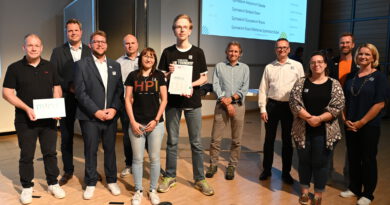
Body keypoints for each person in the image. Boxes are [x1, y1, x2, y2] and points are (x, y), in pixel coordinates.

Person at [2, 34, 65, 204]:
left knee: (50, 153)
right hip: (25, 120)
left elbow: (57, 88)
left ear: (42, 47)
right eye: (30, 45)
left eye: (37, 45)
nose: (34, 48)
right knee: (27, 154)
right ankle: (27, 187)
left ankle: (53, 183)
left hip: (48, 120)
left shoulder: (50, 66)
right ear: (24, 48)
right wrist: (27, 108)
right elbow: (6, 93)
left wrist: (57, 106)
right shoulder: (14, 68)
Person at [157, 14, 214, 196]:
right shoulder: (168, 52)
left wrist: (191, 85)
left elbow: (204, 77)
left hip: (193, 103)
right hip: (172, 103)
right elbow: (160, 78)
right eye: (177, 27)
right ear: (174, 29)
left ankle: (199, 179)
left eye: (184, 27)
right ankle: (170, 176)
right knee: (172, 141)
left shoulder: (198, 52)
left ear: (190, 30)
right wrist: (168, 73)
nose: (181, 30)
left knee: (196, 143)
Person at [289, 52, 345, 205]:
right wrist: (308, 118)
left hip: (325, 132)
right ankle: (305, 192)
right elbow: (294, 103)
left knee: (321, 163)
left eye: (320, 62)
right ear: (309, 65)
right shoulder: (301, 82)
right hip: (302, 130)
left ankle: (319, 193)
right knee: (304, 161)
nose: (316, 65)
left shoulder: (334, 84)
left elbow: (338, 105)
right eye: (313, 62)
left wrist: (318, 119)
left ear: (326, 64)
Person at [73, 30, 123, 199]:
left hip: (110, 116)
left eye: (102, 41)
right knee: (90, 150)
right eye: (96, 41)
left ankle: (111, 180)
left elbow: (118, 91)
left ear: (106, 45)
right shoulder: (81, 65)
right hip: (90, 117)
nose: (100, 44)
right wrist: (96, 111)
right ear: (90, 45)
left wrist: (114, 109)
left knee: (110, 149)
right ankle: (91, 182)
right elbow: (80, 93)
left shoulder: (115, 65)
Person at [340, 43, 387, 205]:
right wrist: (345, 118)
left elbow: (379, 104)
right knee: (353, 158)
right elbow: (344, 100)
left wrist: (361, 122)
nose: (363, 57)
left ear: (374, 58)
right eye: (361, 54)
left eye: (367, 54)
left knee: (368, 159)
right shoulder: (352, 76)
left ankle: (367, 193)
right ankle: (354, 188)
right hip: (350, 124)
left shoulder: (380, 77)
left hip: (369, 126)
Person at [50, 18, 91, 185]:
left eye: (76, 30)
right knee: (66, 137)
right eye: (70, 31)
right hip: (66, 98)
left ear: (81, 32)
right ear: (67, 33)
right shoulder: (57, 51)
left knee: (90, 137)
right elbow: (54, 76)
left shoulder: (89, 51)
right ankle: (68, 171)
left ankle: (91, 170)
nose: (73, 33)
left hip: (86, 100)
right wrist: (70, 87)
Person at [258, 38, 305, 184]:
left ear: (289, 49)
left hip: (289, 108)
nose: (282, 50)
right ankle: (267, 170)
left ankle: (286, 173)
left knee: (286, 141)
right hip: (272, 106)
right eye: (279, 47)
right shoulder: (269, 67)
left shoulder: (297, 66)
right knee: (269, 140)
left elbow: (302, 88)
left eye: (284, 47)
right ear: (275, 49)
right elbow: (263, 89)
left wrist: (299, 109)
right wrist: (262, 108)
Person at [125, 47, 167, 205]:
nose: (149, 59)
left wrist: (156, 120)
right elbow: (127, 99)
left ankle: (153, 190)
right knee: (137, 159)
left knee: (155, 159)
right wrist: (132, 122)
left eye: (152, 57)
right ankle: (138, 191)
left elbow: (164, 100)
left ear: (154, 60)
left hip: (155, 124)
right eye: (146, 56)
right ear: (140, 58)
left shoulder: (159, 76)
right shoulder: (132, 76)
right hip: (137, 124)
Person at [206, 41, 249, 180]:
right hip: (221, 105)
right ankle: (213, 164)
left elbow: (244, 88)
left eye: (236, 51)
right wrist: (225, 100)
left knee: (236, 140)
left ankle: (232, 165)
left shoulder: (245, 68)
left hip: (238, 106)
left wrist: (231, 99)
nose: (233, 53)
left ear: (240, 54)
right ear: (226, 52)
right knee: (215, 139)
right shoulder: (219, 66)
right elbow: (216, 85)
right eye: (231, 51)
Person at [327, 32, 358, 185]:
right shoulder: (332, 62)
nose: (344, 45)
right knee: (330, 142)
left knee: (351, 146)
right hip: (333, 108)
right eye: (342, 43)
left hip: (353, 109)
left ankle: (349, 180)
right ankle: (327, 174)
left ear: (352, 45)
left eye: (347, 42)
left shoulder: (359, 64)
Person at [116, 34, 139, 178]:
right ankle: (129, 164)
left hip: (143, 105)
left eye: (132, 43)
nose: (130, 45)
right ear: (124, 45)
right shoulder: (118, 63)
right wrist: (126, 98)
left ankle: (149, 163)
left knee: (147, 134)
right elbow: (118, 86)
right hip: (126, 105)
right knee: (127, 136)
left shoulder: (145, 60)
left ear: (137, 44)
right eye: (127, 43)